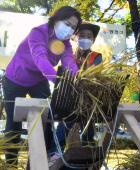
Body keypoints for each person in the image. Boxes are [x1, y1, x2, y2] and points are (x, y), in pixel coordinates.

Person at [3, 6, 81, 165]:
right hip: (15, 81)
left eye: (73, 28)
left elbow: (69, 62)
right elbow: (40, 59)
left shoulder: (65, 44)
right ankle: (11, 164)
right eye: (67, 24)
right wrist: (58, 81)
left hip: (39, 82)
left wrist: (79, 79)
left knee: (48, 118)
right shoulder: (37, 33)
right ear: (56, 19)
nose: (69, 30)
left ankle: (43, 160)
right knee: (14, 125)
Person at [49, 21, 102, 162]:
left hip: (88, 98)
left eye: (89, 36)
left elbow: (96, 74)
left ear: (93, 39)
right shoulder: (69, 55)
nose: (85, 38)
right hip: (70, 97)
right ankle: (56, 153)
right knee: (64, 123)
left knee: (88, 126)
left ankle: (89, 154)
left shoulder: (96, 56)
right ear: (75, 38)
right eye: (81, 35)